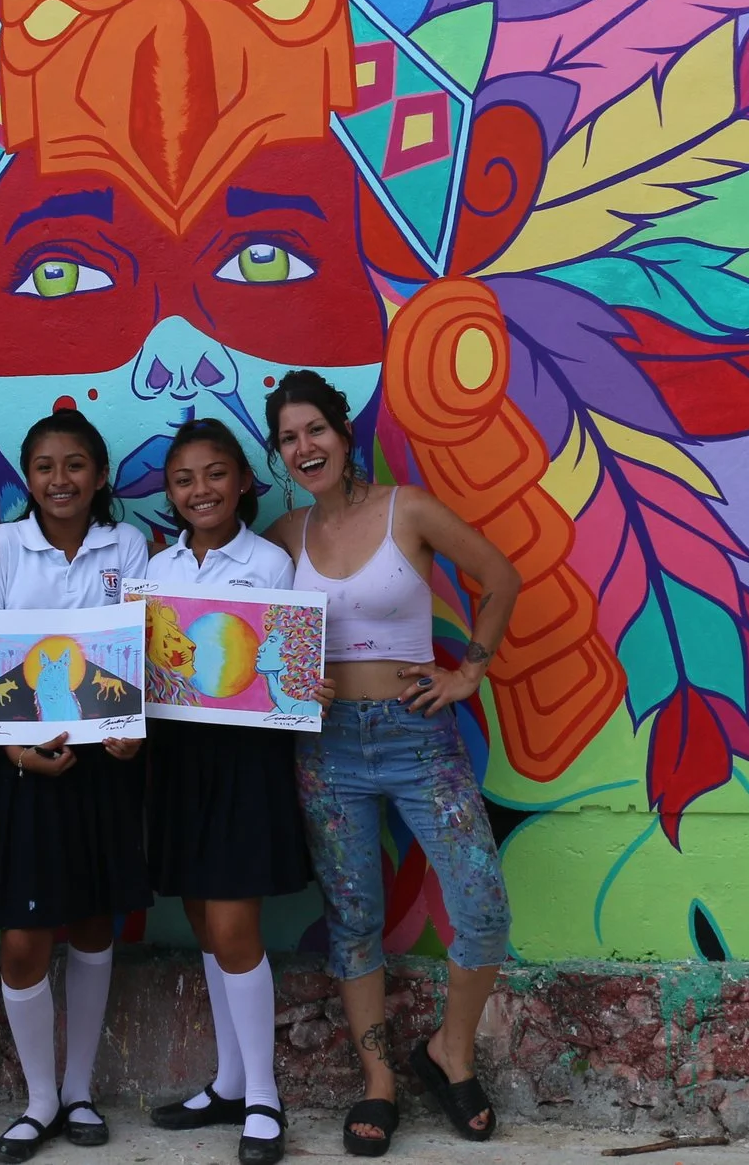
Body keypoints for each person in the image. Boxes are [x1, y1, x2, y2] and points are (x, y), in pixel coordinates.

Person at [263, 371, 521, 1156]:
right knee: (355, 920)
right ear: (280, 455)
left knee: (481, 904)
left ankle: (451, 1051)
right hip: (327, 747)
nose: (304, 447)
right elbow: (257, 645)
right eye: (288, 438)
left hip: (418, 738)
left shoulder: (406, 508)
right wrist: (291, 682)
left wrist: (468, 669)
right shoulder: (283, 537)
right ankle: (378, 1082)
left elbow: (500, 576)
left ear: (344, 433)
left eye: (316, 429)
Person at [0, 409, 151, 1162]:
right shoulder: (1, 547)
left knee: (95, 924)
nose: (60, 479)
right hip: (25, 768)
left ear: (99, 475)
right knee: (21, 942)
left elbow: (141, 652)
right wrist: (12, 750)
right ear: (27, 478)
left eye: (75, 464)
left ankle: (78, 1091)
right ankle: (38, 1099)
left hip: (103, 764)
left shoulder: (128, 543)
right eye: (44, 466)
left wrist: (133, 729)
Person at [140, 419, 310, 1165]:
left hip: (246, 762)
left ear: (244, 481)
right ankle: (231, 1079)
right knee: (207, 922)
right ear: (170, 494)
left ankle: (265, 1098)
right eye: (183, 479)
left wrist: (303, 675)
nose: (199, 489)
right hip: (177, 761)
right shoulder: (155, 569)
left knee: (237, 928)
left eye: (215, 474)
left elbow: (290, 663)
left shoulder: (271, 562)